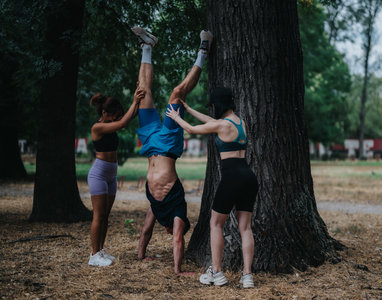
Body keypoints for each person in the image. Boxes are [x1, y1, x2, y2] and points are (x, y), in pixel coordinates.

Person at [131, 26, 213, 275]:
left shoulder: (156, 208)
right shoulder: (178, 213)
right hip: (166, 145)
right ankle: (201, 51)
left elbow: (145, 231)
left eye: (170, 230)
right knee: (176, 94)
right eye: (173, 229)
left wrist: (141, 255)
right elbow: (178, 240)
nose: (170, 232)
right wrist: (178, 270)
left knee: (142, 91)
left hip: (150, 144)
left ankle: (146, 48)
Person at [166, 87, 259, 287]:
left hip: (232, 177)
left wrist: (176, 116)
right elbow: (212, 122)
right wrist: (189, 109)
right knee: (245, 227)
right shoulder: (241, 122)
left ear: (219, 105)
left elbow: (190, 129)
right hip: (249, 177)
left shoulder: (221, 125)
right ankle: (247, 276)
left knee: (216, 224)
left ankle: (216, 272)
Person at [87, 87, 145, 266]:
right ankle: (93, 255)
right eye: (114, 115)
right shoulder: (97, 127)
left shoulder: (111, 124)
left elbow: (128, 118)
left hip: (111, 174)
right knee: (98, 215)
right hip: (98, 174)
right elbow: (122, 124)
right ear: (104, 112)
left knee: (105, 215)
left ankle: (101, 251)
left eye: (119, 115)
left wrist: (139, 99)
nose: (117, 118)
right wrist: (134, 101)